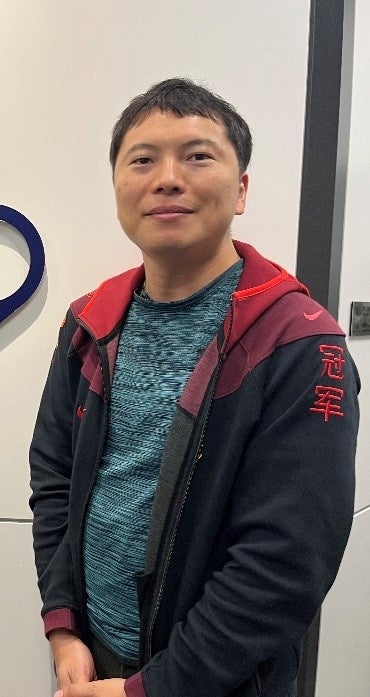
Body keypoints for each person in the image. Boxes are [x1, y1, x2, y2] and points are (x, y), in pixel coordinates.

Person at [29, 78, 359, 697]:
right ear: (117, 187)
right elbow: (54, 480)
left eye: (197, 156)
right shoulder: (90, 322)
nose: (167, 179)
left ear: (241, 190)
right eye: (142, 160)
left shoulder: (300, 342)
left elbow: (287, 559)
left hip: (220, 680)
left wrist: (158, 687)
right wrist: (64, 625)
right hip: (96, 658)